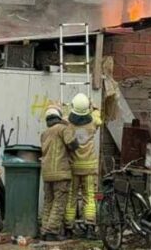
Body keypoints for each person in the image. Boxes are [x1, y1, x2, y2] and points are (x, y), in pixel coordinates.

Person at [40, 105, 77, 241]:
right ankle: (52, 231)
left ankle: (44, 230)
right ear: (59, 117)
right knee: (59, 203)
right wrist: (68, 126)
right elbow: (73, 145)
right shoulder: (63, 129)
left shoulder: (44, 133)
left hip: (46, 173)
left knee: (48, 202)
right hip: (61, 172)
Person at [65, 92, 99, 226]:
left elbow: (63, 117)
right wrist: (95, 108)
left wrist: (66, 107)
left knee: (71, 196)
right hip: (89, 167)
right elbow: (99, 118)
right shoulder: (93, 122)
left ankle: (68, 225)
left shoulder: (68, 123)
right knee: (90, 196)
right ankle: (90, 224)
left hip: (73, 167)